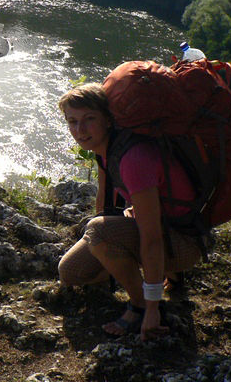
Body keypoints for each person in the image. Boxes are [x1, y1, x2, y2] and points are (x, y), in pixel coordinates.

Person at [56, 83, 203, 341]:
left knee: (98, 232)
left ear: (108, 120)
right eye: (72, 121)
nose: (80, 130)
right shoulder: (104, 152)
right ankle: (152, 274)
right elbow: (103, 205)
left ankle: (139, 305)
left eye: (89, 119)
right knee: (71, 271)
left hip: (183, 242)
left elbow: (152, 237)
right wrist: (105, 245)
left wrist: (153, 306)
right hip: (163, 231)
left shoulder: (133, 159)